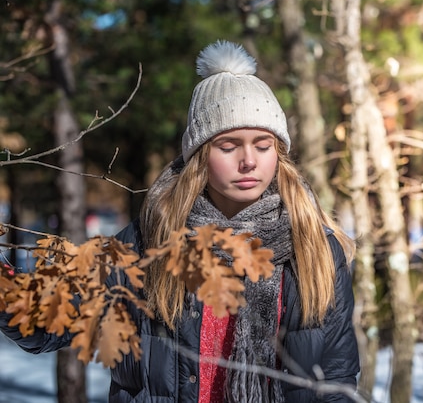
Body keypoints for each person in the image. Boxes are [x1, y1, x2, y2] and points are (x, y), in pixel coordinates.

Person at [0, 40, 360, 402]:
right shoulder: (149, 242)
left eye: (263, 145)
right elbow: (44, 323)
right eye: (229, 145)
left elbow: (337, 382)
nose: (249, 160)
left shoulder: (315, 251)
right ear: (200, 156)